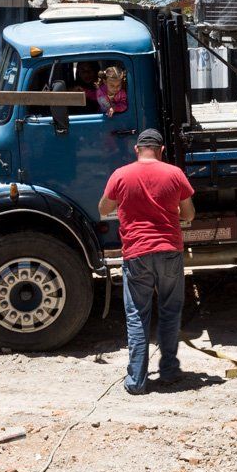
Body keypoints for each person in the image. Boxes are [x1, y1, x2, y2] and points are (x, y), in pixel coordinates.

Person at [99, 129, 194, 394]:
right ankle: (170, 371)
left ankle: (137, 381)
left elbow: (103, 209)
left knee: (137, 316)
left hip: (137, 253)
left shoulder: (121, 175)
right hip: (169, 251)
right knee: (170, 311)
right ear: (162, 150)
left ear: (136, 149)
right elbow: (189, 214)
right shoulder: (174, 174)